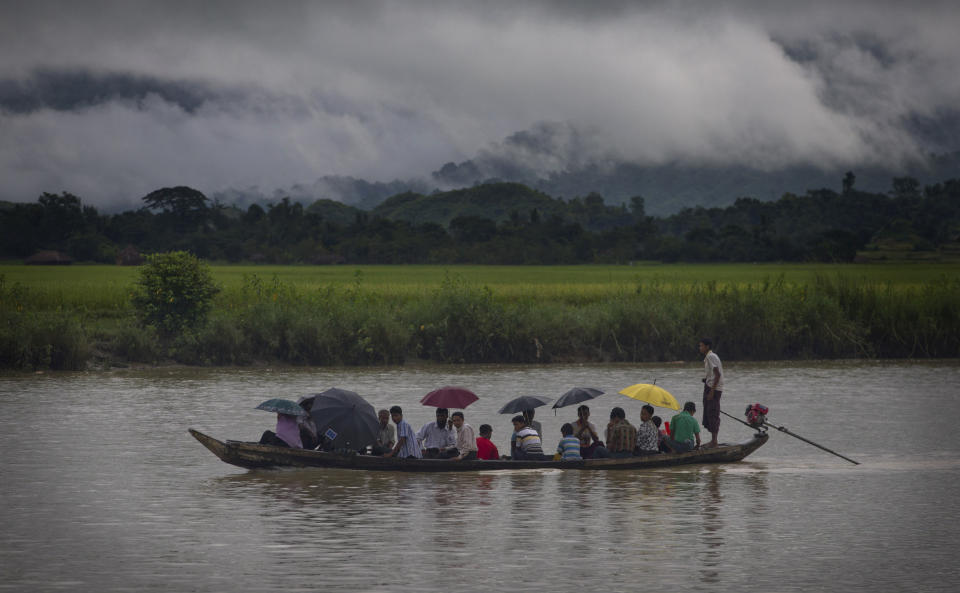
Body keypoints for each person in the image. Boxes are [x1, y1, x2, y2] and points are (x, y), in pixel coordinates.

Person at [699, 338, 724, 448]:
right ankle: (713, 440)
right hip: (710, 386)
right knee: (709, 413)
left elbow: (717, 375)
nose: (700, 348)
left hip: (713, 389)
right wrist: (706, 380)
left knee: (713, 413)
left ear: (707, 346)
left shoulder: (710, 356)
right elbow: (714, 374)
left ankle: (714, 441)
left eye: (701, 346)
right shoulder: (709, 357)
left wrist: (712, 391)